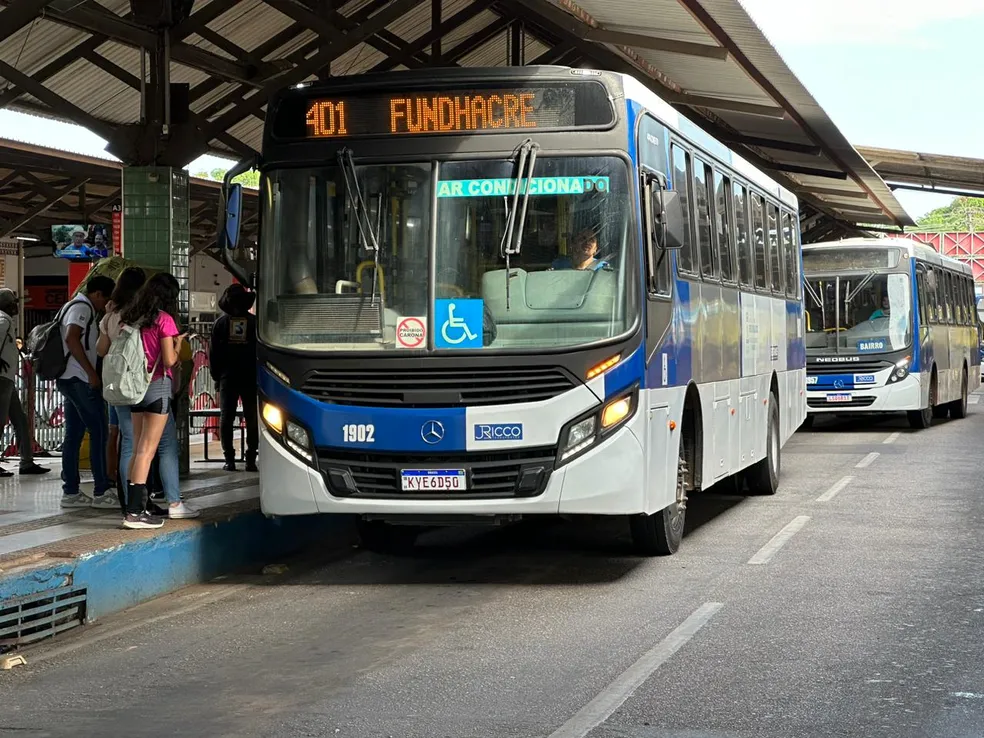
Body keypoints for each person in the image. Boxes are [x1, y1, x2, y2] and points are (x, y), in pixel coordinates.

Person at [118, 273, 196, 528]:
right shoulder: (165, 320)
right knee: (147, 450)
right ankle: (135, 512)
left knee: (136, 448)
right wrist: (177, 343)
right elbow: (170, 360)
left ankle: (134, 507)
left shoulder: (132, 318)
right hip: (157, 387)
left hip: (135, 389)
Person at [57, 275, 117, 509]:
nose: (105, 305)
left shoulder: (72, 305)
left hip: (70, 378)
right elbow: (72, 338)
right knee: (99, 430)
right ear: (98, 294)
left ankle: (71, 491)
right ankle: (102, 490)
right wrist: (91, 373)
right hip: (78, 379)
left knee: (74, 434)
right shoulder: (82, 307)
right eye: (106, 299)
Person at [96, 266, 146, 513]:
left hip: (114, 384)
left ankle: (126, 498)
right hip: (135, 384)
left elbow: (100, 350)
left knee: (124, 439)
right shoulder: (140, 315)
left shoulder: (109, 317)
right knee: (136, 442)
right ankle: (134, 500)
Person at [209, 283, 258, 472]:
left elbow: (213, 353)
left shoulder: (220, 323)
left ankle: (229, 459)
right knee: (251, 417)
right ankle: (251, 459)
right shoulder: (254, 323)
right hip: (250, 377)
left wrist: (216, 376)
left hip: (227, 377)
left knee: (226, 418)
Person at [0, 289, 48, 477]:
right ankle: (26, 461)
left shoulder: (5, 320)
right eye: (13, 302)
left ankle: (26, 461)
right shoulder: (3, 320)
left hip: (7, 378)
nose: (16, 306)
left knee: (19, 419)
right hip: (2, 378)